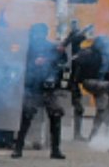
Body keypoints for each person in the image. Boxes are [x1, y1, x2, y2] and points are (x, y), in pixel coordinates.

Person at [11, 22, 68, 159]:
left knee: (56, 115)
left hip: (49, 88)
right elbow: (19, 63)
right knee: (26, 117)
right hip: (33, 87)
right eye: (37, 33)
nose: (39, 36)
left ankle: (55, 149)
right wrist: (34, 63)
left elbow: (61, 62)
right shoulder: (26, 48)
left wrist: (61, 52)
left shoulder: (51, 47)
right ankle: (18, 148)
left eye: (41, 33)